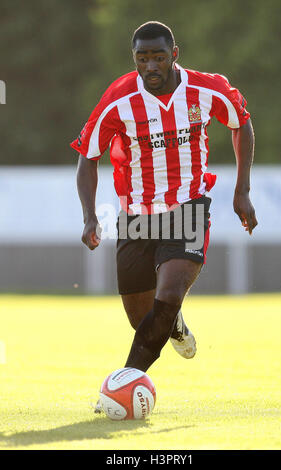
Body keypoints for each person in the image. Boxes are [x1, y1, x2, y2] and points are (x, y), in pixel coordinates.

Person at [71, 21, 257, 386]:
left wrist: (242, 191)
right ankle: (173, 324)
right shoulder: (118, 99)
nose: (151, 66)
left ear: (174, 55)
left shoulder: (207, 89)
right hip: (136, 215)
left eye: (158, 57)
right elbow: (88, 155)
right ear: (134, 59)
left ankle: (122, 385)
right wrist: (89, 217)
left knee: (168, 296)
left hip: (188, 207)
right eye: (142, 59)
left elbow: (241, 123)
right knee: (146, 319)